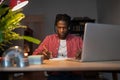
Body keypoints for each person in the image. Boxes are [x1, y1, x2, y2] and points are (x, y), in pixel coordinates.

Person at [33, 14, 83, 80]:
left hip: (74, 74)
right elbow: (35, 54)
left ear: (68, 27)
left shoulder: (77, 39)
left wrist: (82, 55)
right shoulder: (49, 39)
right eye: (59, 27)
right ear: (56, 27)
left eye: (64, 28)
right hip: (55, 74)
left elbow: (88, 54)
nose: (61, 30)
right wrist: (43, 55)